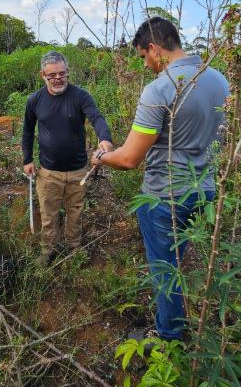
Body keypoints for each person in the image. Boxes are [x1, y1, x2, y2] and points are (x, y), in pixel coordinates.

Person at [91, 17, 229, 342]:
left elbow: (129, 158)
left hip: (165, 198)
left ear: (154, 49)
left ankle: (170, 337)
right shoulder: (220, 81)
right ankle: (191, 320)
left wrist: (100, 157)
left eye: (143, 56)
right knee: (190, 262)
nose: (144, 64)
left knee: (166, 270)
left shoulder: (161, 89)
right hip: (207, 191)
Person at [22, 50, 113, 267]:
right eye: (52, 75)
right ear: (42, 74)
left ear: (68, 72)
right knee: (48, 213)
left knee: (75, 212)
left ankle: (74, 248)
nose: (57, 79)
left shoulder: (80, 96)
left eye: (62, 74)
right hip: (48, 171)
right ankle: (48, 250)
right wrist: (27, 160)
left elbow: (96, 118)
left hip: (78, 171)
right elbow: (27, 132)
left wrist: (105, 140)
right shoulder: (34, 100)